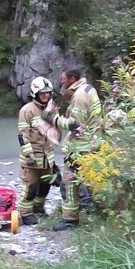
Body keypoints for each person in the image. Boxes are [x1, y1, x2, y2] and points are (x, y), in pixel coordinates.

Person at [42, 68, 102, 231]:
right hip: (92, 142)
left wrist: (51, 118)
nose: (61, 82)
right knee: (91, 181)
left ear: (72, 78)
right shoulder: (89, 89)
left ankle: (70, 219)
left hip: (80, 147)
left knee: (69, 182)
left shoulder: (79, 96)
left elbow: (75, 125)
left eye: (63, 79)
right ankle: (99, 211)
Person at [16, 77, 79, 226]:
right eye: (42, 93)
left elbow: (55, 129)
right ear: (35, 94)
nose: (45, 96)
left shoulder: (52, 108)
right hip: (32, 156)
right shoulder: (27, 110)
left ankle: (38, 209)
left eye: (48, 93)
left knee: (46, 185)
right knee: (31, 186)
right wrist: (29, 155)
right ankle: (25, 213)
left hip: (47, 156)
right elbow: (22, 135)